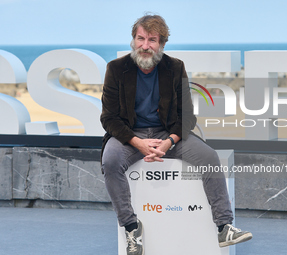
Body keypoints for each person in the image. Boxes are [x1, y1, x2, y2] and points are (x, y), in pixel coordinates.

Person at [100, 14, 252, 255]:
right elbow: (108, 118)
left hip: (167, 132)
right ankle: (131, 228)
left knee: (210, 158)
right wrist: (138, 142)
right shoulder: (116, 69)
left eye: (152, 40)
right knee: (110, 161)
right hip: (130, 135)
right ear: (133, 40)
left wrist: (169, 142)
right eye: (141, 39)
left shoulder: (175, 67)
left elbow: (188, 116)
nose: (145, 45)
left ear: (162, 44)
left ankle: (224, 226)